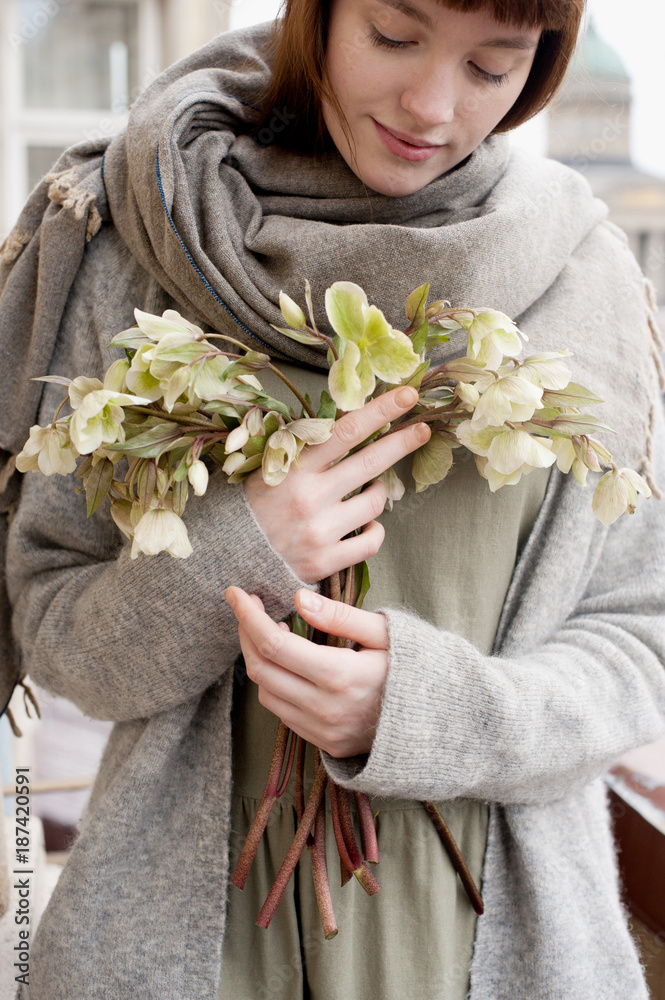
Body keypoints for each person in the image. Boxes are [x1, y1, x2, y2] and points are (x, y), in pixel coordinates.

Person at [1, 0, 664, 997]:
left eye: (491, 67)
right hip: (190, 950)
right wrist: (233, 555)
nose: (431, 105)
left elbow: (637, 641)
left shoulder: (582, 277)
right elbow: (55, 626)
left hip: (492, 949)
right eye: (393, 38)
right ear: (316, 17)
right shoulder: (142, 238)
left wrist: (423, 709)